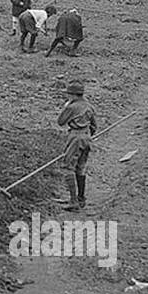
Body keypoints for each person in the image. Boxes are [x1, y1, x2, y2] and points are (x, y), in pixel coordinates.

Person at [57, 81, 97, 210]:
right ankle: (81, 199)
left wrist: (66, 107)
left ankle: (73, 201)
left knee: (68, 167)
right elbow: (94, 126)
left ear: (73, 95)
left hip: (75, 137)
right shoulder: (90, 106)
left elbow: (60, 122)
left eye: (68, 94)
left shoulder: (71, 107)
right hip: (87, 138)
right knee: (80, 167)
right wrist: (87, 135)